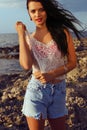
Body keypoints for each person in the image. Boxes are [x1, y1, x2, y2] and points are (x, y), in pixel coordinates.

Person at [15, 0, 82, 130]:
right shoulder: (30, 38)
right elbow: (26, 65)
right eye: (33, 11)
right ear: (29, 14)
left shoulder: (62, 32)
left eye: (41, 9)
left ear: (47, 11)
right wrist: (20, 35)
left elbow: (73, 62)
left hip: (59, 91)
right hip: (36, 92)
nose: (37, 14)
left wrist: (52, 74)